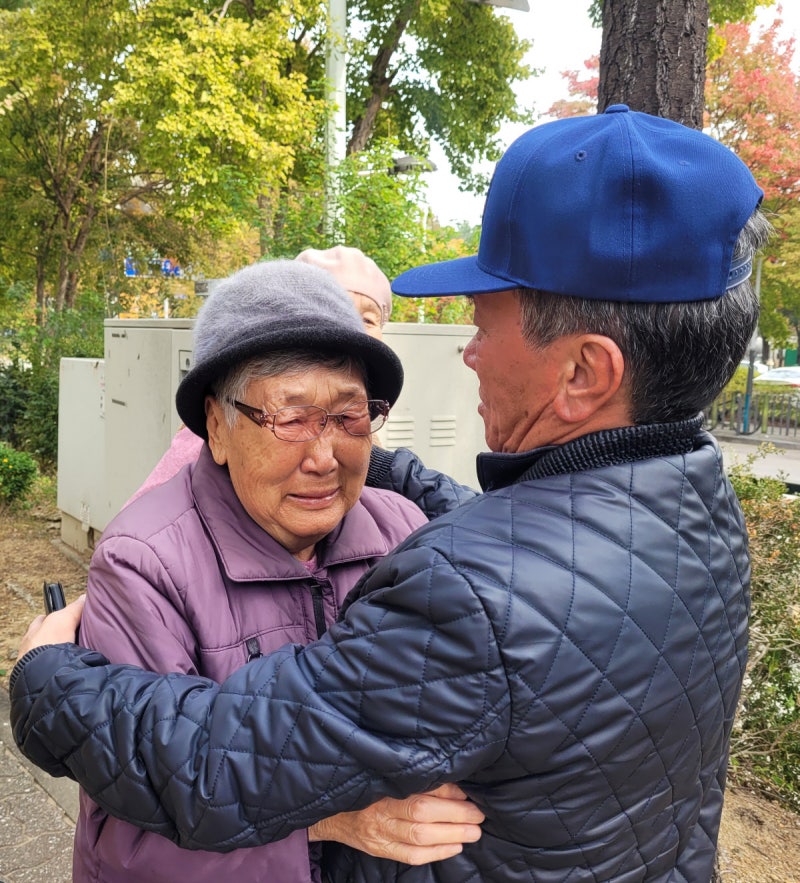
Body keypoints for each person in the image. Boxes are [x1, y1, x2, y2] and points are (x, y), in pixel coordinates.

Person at [11, 106, 768, 881]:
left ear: (584, 372)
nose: (468, 350)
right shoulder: (698, 510)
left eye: (483, 318)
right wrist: (365, 454)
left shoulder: (465, 591)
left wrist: (45, 680)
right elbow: (536, 558)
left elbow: (216, 759)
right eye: (289, 416)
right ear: (217, 419)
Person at [54, 258, 484, 883]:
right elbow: (131, 833)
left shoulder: (404, 532)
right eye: (289, 418)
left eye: (347, 415)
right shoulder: (144, 563)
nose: (324, 456)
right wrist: (330, 819)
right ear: (216, 426)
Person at [127, 245, 394, 506]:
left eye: (369, 320)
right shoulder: (202, 445)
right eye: (292, 421)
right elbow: (149, 514)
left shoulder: (391, 511)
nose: (353, 329)